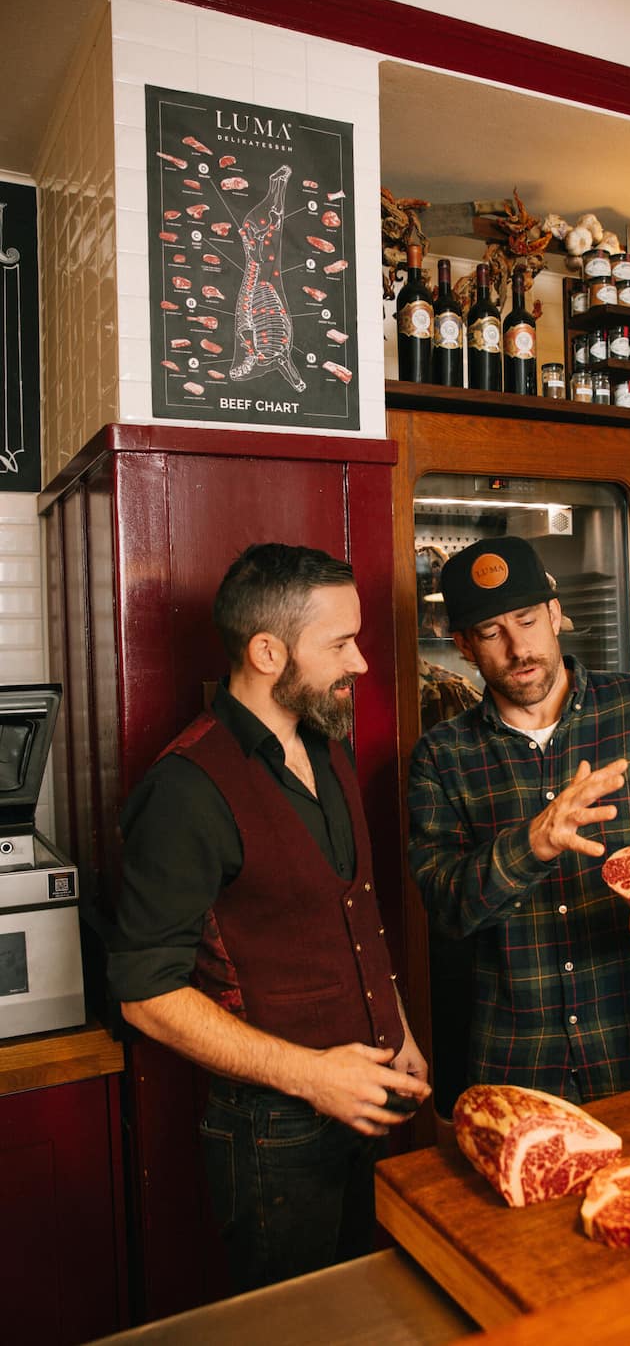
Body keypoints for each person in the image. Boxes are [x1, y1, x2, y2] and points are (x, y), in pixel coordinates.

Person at [108, 542, 430, 1294]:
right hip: (274, 1133)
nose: (360, 664)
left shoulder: (328, 742)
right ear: (265, 650)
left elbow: (350, 909)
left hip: (374, 1099)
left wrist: (400, 1029)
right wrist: (312, 1078)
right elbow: (144, 992)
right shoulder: (186, 788)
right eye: (340, 644)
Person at [407, 535, 630, 1106]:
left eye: (528, 619)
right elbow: (446, 908)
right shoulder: (443, 755)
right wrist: (532, 844)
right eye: (491, 632)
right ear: (464, 645)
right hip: (523, 1061)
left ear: (556, 615)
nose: (519, 647)